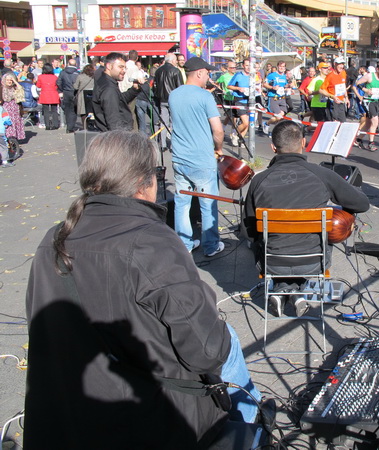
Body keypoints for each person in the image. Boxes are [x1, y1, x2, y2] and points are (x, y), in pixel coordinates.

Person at [24, 130, 265, 449]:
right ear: (143, 182)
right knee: (227, 339)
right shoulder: (151, 242)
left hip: (67, 416)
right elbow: (208, 351)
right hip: (149, 417)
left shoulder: (54, 239)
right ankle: (252, 425)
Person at [243, 121, 370, 317]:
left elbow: (249, 233)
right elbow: (362, 204)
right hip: (314, 261)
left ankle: (281, 290)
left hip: (272, 262)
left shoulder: (259, 180)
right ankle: (296, 292)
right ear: (303, 142)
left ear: (273, 147)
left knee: (267, 243)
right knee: (308, 241)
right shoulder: (323, 175)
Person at [169, 57, 225, 256]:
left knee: (182, 204)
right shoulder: (205, 96)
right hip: (201, 159)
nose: (208, 77)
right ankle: (211, 246)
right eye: (207, 73)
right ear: (199, 73)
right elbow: (218, 130)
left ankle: (184, 244)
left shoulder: (173, 95)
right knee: (208, 204)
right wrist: (219, 148)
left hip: (179, 157)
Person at [92, 52, 146, 132]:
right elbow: (113, 120)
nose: (124, 71)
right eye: (120, 67)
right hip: (116, 135)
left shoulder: (107, 82)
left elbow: (120, 100)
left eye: (125, 68)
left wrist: (134, 89)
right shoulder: (108, 88)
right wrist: (120, 137)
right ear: (109, 66)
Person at [153, 53, 184, 149]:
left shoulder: (158, 71)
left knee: (163, 122)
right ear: (173, 60)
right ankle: (173, 145)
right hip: (173, 99)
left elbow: (155, 86)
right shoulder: (176, 71)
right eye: (176, 60)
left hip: (162, 99)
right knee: (174, 123)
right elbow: (180, 87)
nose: (176, 62)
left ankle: (163, 144)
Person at [355, 62, 379, 151]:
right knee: (375, 121)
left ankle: (358, 139)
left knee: (368, 123)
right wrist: (366, 90)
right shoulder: (369, 76)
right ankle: (371, 143)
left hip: (375, 101)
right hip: (368, 101)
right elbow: (357, 83)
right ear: (377, 69)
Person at [319, 57, 349, 123]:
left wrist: (346, 98)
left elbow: (343, 86)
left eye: (342, 64)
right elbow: (321, 90)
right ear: (335, 64)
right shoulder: (330, 76)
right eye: (339, 64)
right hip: (332, 102)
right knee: (334, 123)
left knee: (343, 122)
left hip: (341, 102)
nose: (341, 66)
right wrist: (332, 96)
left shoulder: (343, 73)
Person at [263, 60, 289, 134]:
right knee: (278, 117)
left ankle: (275, 131)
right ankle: (267, 124)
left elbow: (286, 85)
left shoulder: (285, 76)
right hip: (273, 97)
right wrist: (272, 87)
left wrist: (288, 88)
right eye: (280, 66)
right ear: (277, 67)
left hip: (282, 98)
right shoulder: (272, 75)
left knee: (281, 116)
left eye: (283, 66)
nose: (282, 68)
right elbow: (264, 84)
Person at [57, 58, 80, 133]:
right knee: (74, 109)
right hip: (75, 92)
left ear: (68, 64)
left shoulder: (63, 72)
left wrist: (61, 90)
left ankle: (69, 126)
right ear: (76, 64)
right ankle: (71, 126)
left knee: (67, 109)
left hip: (66, 92)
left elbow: (58, 82)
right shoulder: (77, 73)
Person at [1, 72, 25, 140]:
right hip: (6, 107)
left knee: (16, 121)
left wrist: (15, 81)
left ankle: (16, 137)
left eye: (10, 80)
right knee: (9, 122)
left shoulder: (14, 87)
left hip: (15, 106)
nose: (9, 82)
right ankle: (10, 137)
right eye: (7, 80)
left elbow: (21, 89)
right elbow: (4, 98)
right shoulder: (2, 88)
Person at [35, 63, 60, 130]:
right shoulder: (55, 77)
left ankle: (47, 125)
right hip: (53, 94)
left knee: (46, 111)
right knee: (54, 110)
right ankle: (55, 124)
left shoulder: (40, 77)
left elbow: (38, 85)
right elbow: (57, 86)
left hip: (45, 94)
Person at [73, 65, 95, 129]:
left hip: (82, 95)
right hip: (92, 95)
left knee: (83, 112)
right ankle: (91, 125)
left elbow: (75, 87)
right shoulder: (94, 77)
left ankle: (85, 127)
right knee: (91, 111)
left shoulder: (80, 76)